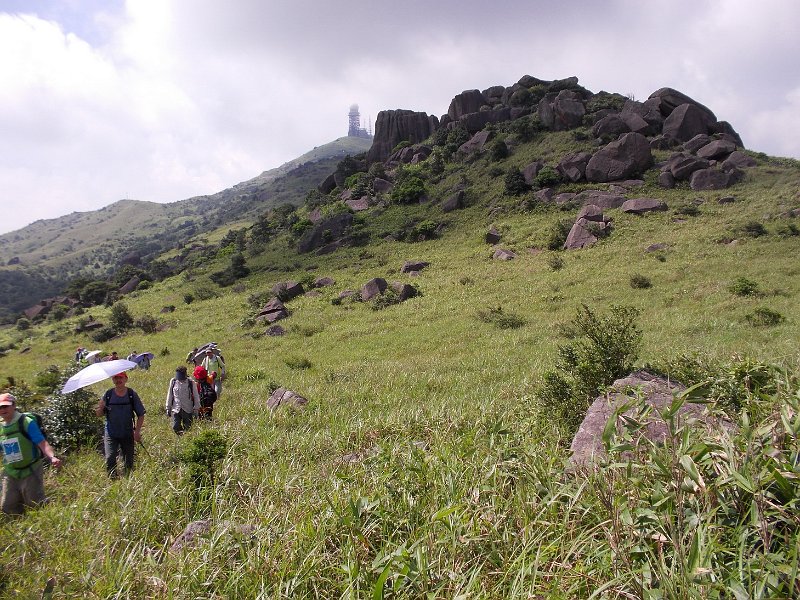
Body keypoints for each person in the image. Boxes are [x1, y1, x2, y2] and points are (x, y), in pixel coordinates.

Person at [0, 393, 61, 515]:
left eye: (5, 406)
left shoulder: (26, 422)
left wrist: (52, 457)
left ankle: (48, 521)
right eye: (0, 407)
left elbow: (42, 442)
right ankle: (20, 529)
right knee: (7, 506)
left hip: (31, 469)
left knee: (35, 504)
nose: (2, 410)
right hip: (10, 471)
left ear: (14, 406)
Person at [95, 372, 145, 477]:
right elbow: (99, 414)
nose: (118, 380)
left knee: (129, 461)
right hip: (111, 433)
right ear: (113, 380)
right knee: (110, 458)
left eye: (120, 378)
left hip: (127, 432)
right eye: (115, 378)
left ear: (126, 379)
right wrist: (100, 408)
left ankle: (128, 482)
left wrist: (137, 432)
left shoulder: (131, 394)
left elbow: (141, 415)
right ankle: (113, 481)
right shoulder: (108, 394)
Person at [165, 366, 199, 435]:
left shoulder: (191, 382)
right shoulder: (173, 381)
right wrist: (168, 407)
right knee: (175, 426)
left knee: (188, 428)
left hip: (187, 409)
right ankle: (181, 436)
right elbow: (170, 394)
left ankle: (186, 439)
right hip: (176, 408)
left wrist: (196, 409)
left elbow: (196, 396)